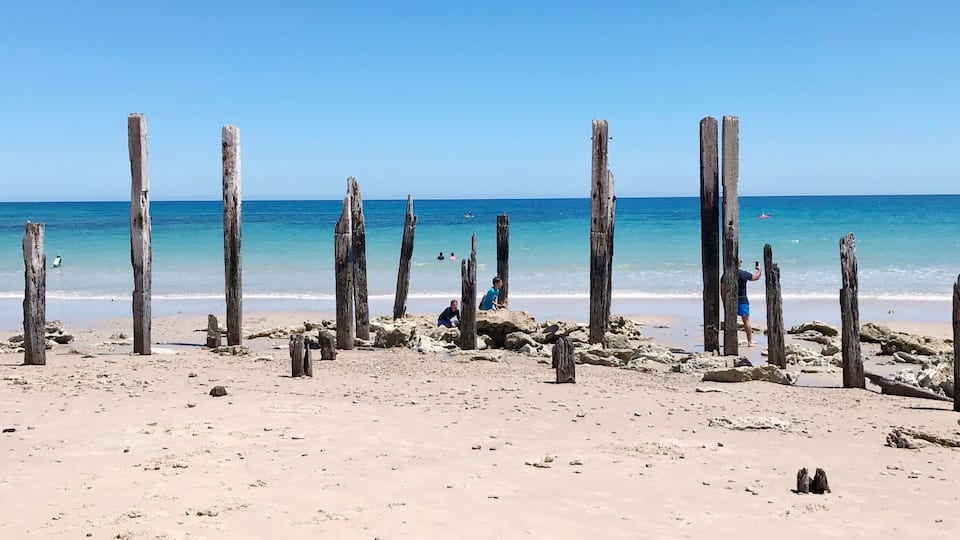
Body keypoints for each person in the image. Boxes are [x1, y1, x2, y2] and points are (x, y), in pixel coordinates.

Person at [721, 259, 762, 347]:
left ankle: (730, 341)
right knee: (746, 320)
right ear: (738, 264)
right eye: (740, 261)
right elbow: (756, 277)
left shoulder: (725, 274)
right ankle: (749, 341)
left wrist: (724, 301)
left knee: (730, 320)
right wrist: (759, 270)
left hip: (730, 299)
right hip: (742, 299)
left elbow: (722, 290)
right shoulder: (743, 274)